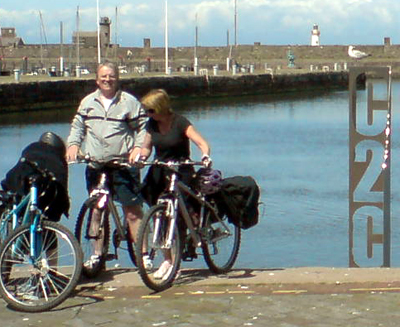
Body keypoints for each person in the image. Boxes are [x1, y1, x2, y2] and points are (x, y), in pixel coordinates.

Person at [66, 61, 148, 269]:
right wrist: (73, 145)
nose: (107, 80)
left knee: (132, 212)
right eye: (103, 76)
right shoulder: (88, 102)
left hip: (122, 165)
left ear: (117, 78)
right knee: (97, 210)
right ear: (97, 79)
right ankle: (96, 255)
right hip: (96, 166)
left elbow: (143, 128)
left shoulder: (129, 102)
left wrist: (138, 148)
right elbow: (77, 127)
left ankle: (143, 256)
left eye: (111, 76)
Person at [137, 89, 211, 279]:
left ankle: (177, 259)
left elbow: (202, 143)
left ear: (161, 108)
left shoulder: (180, 122)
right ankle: (167, 259)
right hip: (160, 170)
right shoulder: (151, 124)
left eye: (151, 110)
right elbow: (146, 146)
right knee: (159, 214)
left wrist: (204, 156)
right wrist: (142, 156)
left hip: (181, 169)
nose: (148, 114)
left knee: (178, 215)